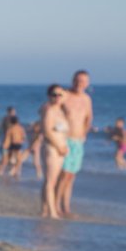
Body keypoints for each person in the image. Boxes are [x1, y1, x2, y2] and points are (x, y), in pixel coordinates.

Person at [57, 70, 92, 217]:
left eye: (83, 81)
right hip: (65, 140)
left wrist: (85, 133)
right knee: (64, 175)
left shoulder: (87, 99)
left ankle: (66, 208)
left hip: (78, 142)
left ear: (87, 83)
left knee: (71, 177)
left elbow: (89, 118)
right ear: (72, 81)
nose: (80, 83)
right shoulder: (65, 96)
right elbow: (52, 111)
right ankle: (55, 206)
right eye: (77, 80)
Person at [40, 84, 70, 219]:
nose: (57, 97)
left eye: (60, 95)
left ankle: (45, 210)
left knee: (52, 180)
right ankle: (52, 212)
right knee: (50, 181)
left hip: (61, 149)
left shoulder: (62, 111)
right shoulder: (49, 110)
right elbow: (46, 131)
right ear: (49, 96)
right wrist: (58, 146)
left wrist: (64, 146)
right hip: (52, 148)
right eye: (54, 95)